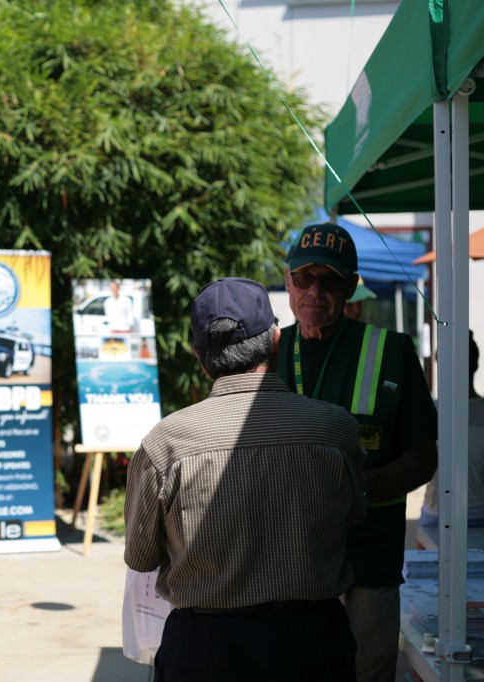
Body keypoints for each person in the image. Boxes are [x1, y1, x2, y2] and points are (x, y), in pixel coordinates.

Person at [124, 277, 367, 681]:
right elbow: (356, 515)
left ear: (199, 356)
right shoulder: (335, 428)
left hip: (205, 649)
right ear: (275, 339)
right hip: (314, 642)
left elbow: (141, 556)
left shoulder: (165, 442)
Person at [277, 222, 438, 682]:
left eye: (329, 279)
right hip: (286, 565)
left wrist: (361, 486)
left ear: (351, 285)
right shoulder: (268, 352)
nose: (315, 290)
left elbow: (424, 455)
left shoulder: (392, 351)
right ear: (288, 281)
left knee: (366, 674)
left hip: (367, 563)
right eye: (304, 277)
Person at [421, 331, 484, 526]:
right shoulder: (431, 410)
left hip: (438, 513)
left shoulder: (430, 411)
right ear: (475, 364)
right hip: (468, 512)